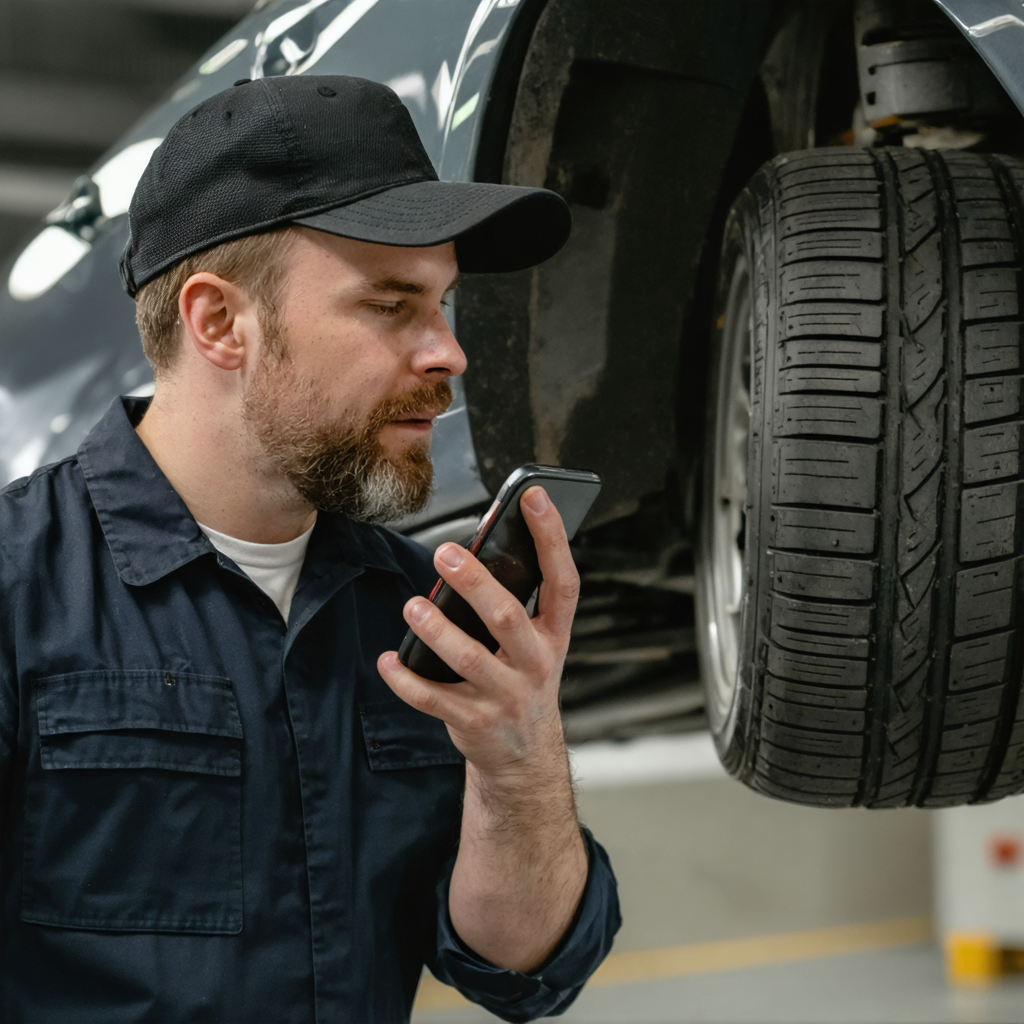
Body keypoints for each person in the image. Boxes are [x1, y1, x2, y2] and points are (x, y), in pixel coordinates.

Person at [0, 75, 620, 1022]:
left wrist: (519, 758)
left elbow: (523, 970)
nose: (449, 354)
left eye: (443, 303)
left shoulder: (418, 613)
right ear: (220, 323)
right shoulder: (19, 589)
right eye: (391, 305)